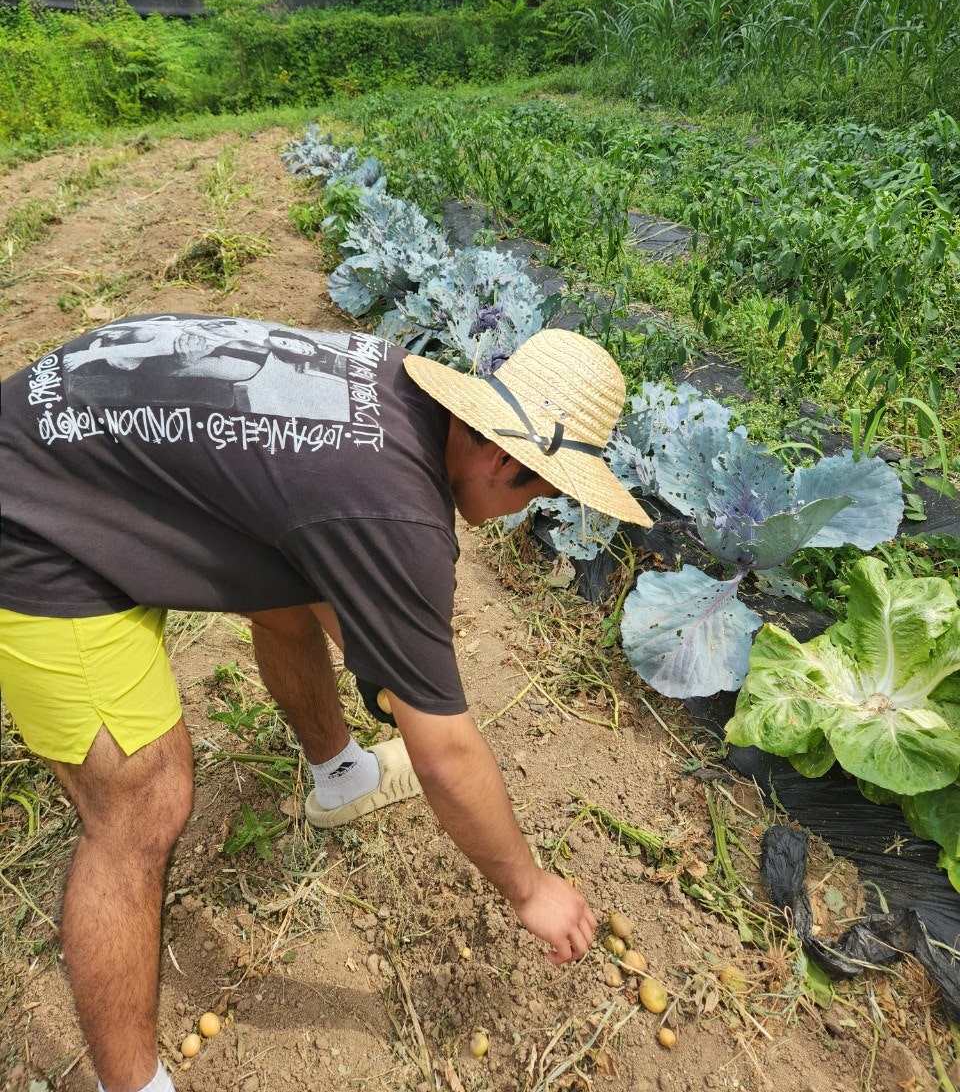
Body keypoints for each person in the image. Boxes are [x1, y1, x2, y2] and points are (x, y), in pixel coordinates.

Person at [0, 314, 651, 1092]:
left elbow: (328, 561)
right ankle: (129, 1084)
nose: (534, 507)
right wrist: (531, 888)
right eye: (545, 488)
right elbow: (445, 752)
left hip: (69, 425)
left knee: (293, 579)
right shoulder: (397, 517)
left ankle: (338, 775)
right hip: (33, 515)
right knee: (142, 805)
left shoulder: (393, 386)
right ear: (503, 456)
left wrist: (393, 661)